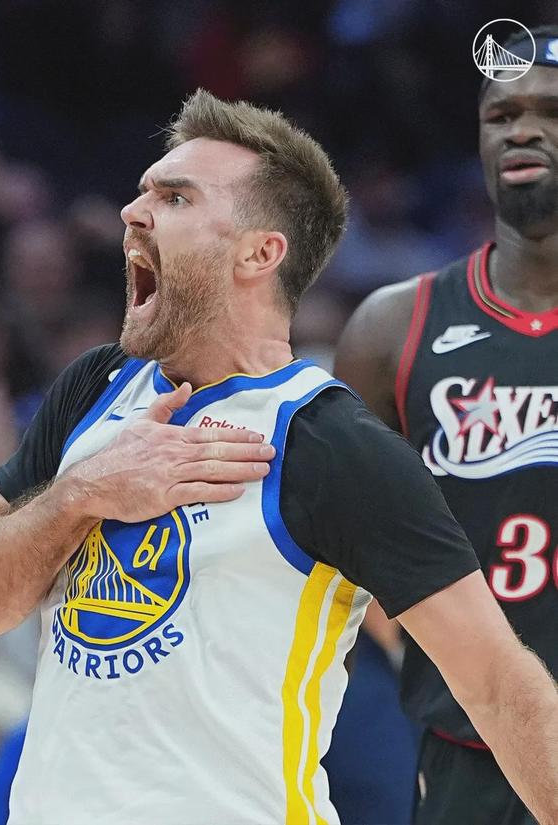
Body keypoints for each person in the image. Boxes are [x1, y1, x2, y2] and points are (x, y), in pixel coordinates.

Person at [0, 90, 558, 825]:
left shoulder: (329, 442)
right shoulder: (93, 388)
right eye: (143, 192)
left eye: (175, 198)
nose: (132, 212)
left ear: (260, 252)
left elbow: (500, 685)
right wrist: (80, 493)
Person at [334, 26, 558, 825]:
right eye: (502, 116)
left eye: (549, 113)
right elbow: (345, 541)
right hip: (469, 751)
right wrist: (443, 655)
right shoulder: (392, 328)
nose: (522, 131)